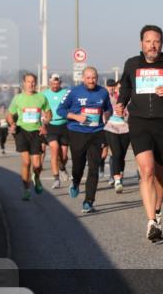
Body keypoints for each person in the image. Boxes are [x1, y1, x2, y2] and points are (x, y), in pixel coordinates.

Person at [116, 25, 163, 243]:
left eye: (156, 41)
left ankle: (157, 211)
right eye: (148, 41)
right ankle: (151, 221)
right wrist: (121, 103)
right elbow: (125, 88)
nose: (152, 45)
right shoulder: (132, 64)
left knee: (159, 175)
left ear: (162, 43)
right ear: (141, 43)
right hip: (139, 122)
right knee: (147, 170)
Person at [57, 66, 112, 213]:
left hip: (96, 132)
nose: (91, 80)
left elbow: (108, 108)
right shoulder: (73, 92)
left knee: (94, 167)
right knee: (78, 166)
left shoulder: (103, 92)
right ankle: (75, 182)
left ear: (97, 77)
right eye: (88, 78)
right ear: (83, 78)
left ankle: (88, 201)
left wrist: (107, 114)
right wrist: (75, 117)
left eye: (94, 77)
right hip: (77, 132)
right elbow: (60, 110)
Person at [6, 73, 51, 200]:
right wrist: (12, 123)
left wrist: (45, 124)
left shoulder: (41, 97)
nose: (31, 84)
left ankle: (36, 177)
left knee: (37, 165)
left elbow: (48, 113)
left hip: (36, 132)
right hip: (22, 131)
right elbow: (9, 114)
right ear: (24, 83)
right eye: (28, 82)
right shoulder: (18, 98)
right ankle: (26, 189)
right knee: (26, 162)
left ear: (35, 83)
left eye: (33, 82)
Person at [42, 74, 72, 189]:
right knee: (54, 149)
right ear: (50, 83)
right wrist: (42, 122)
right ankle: (56, 179)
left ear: (60, 83)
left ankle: (62, 168)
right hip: (51, 125)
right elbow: (39, 107)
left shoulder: (66, 93)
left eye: (57, 83)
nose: (55, 86)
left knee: (64, 156)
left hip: (64, 125)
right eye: (53, 83)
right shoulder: (44, 94)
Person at [104, 79, 131, 193]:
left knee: (122, 156)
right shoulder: (109, 98)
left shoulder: (130, 99)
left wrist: (127, 113)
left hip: (125, 129)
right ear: (115, 88)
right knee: (117, 153)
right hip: (111, 128)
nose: (121, 90)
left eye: (123, 88)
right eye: (119, 88)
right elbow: (103, 110)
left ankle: (120, 175)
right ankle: (117, 180)